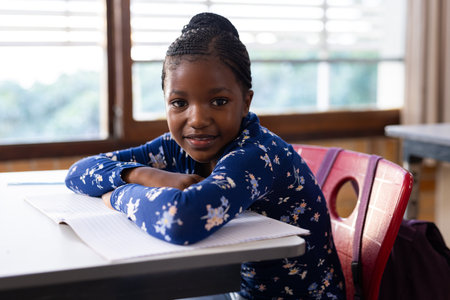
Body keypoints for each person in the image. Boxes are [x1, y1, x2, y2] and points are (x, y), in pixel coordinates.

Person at [65, 12, 346, 300]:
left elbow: (182, 219)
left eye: (219, 101)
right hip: (230, 287)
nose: (197, 119)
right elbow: (78, 172)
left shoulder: (257, 155)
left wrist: (116, 196)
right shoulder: (178, 146)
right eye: (179, 103)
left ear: (246, 101)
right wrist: (143, 174)